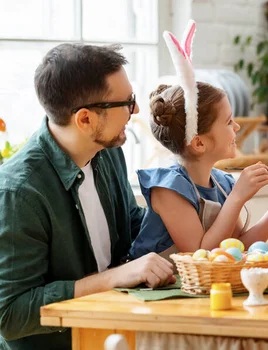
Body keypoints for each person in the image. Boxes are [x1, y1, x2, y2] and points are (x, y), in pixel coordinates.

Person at [0, 44, 175, 349]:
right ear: (85, 120)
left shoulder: (106, 153)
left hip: (114, 334)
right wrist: (113, 278)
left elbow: (130, 227)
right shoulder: (18, 193)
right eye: (126, 102)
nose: (134, 111)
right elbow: (10, 315)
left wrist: (193, 208)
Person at [127, 21, 268, 260]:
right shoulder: (168, 189)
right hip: (150, 292)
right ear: (199, 143)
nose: (237, 126)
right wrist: (237, 198)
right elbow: (200, 255)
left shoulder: (221, 183)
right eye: (229, 121)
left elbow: (238, 248)